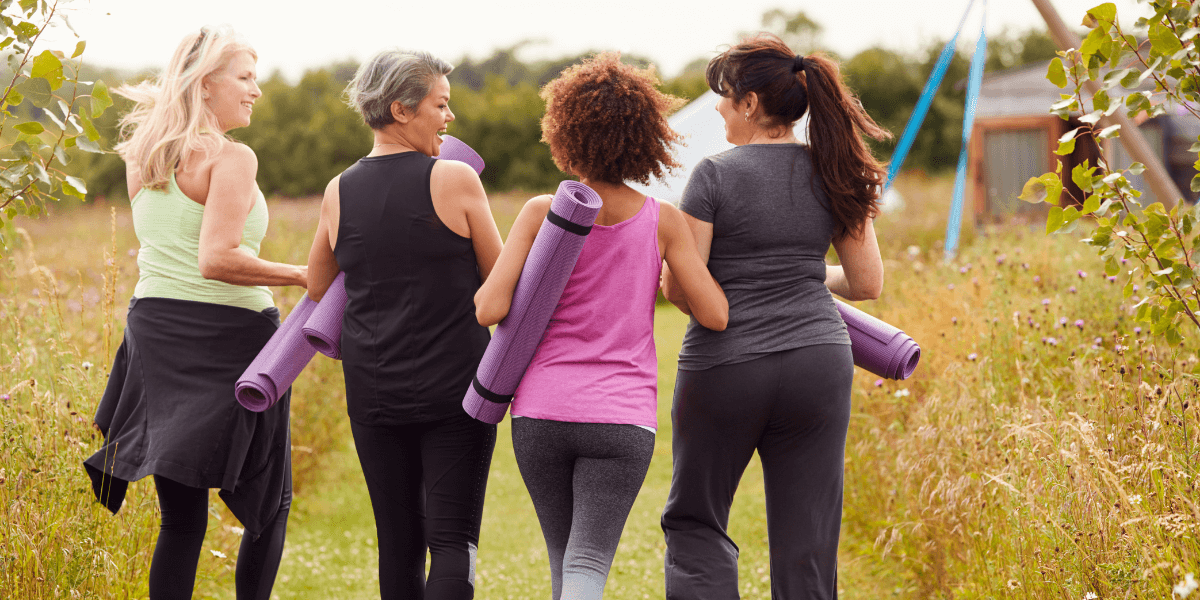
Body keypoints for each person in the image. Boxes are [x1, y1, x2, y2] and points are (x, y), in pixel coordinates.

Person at [473, 52, 729, 600]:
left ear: (565, 134)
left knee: (565, 561)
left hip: (541, 411)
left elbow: (487, 309)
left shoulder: (543, 212)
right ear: (646, 137)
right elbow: (714, 314)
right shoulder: (664, 220)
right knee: (588, 563)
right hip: (621, 416)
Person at [659, 33, 889, 599]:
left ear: (750, 104)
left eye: (724, 97)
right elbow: (866, 283)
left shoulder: (713, 174)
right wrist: (804, 275)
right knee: (807, 539)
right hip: (819, 362)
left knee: (696, 522)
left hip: (725, 367)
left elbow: (683, 289)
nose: (717, 108)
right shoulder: (835, 170)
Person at [83, 26, 306, 600]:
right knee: (269, 502)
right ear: (206, 83)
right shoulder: (233, 157)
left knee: (180, 519)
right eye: (245, 77)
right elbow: (217, 259)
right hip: (232, 338)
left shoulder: (144, 155)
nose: (256, 90)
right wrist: (306, 276)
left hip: (155, 334)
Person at [305, 48, 504, 600]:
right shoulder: (456, 179)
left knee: (396, 544)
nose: (449, 117)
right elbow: (500, 281)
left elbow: (320, 287)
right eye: (441, 105)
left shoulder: (337, 190)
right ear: (400, 109)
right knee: (452, 540)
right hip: (457, 393)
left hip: (373, 391)